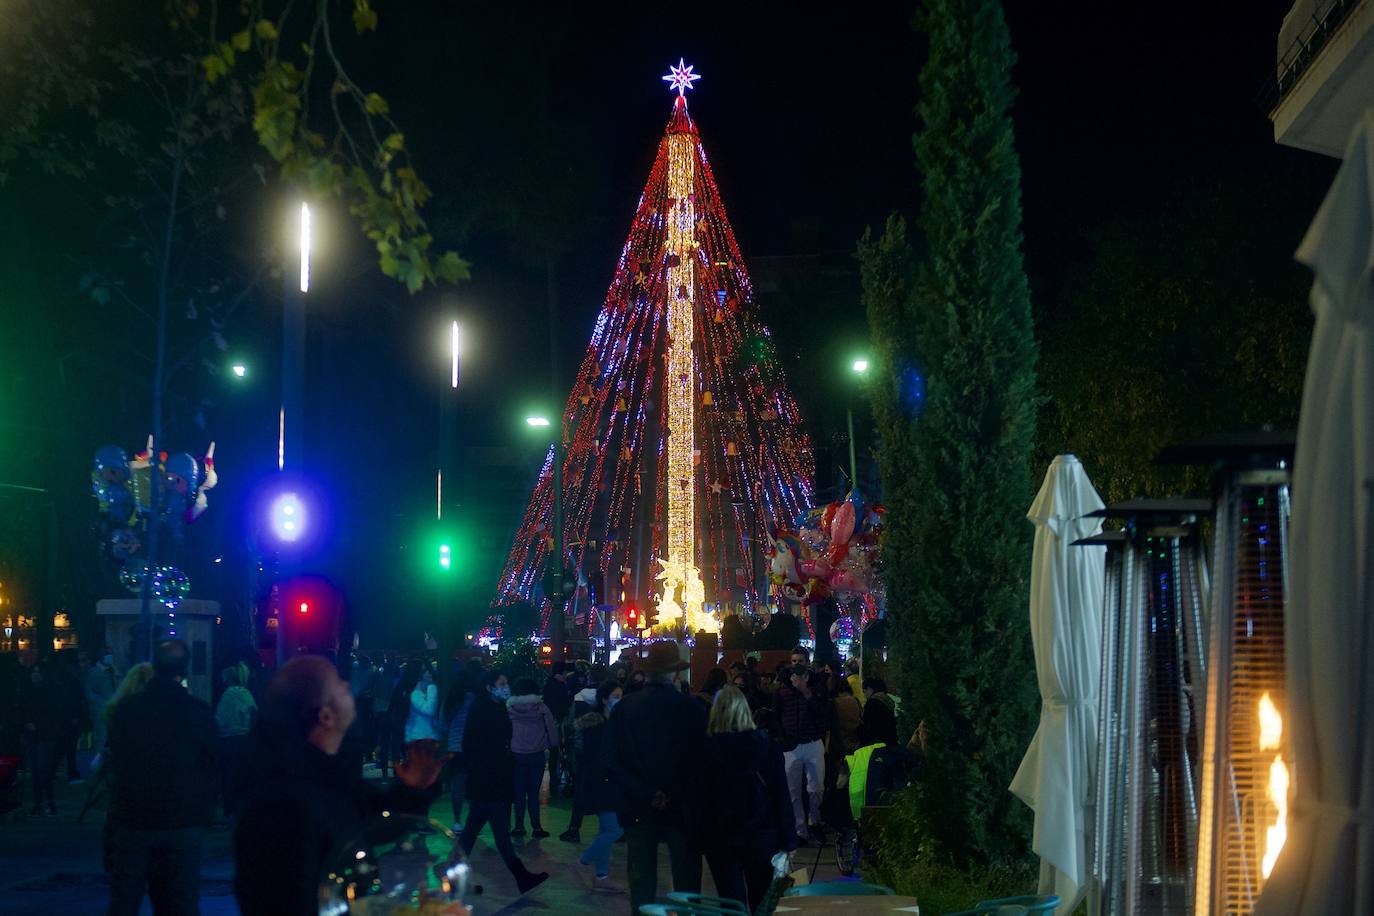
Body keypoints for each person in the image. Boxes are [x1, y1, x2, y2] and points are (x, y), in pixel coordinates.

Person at [233, 655, 448, 915]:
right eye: (337, 684)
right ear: (325, 715)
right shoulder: (283, 800)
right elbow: (284, 900)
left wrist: (412, 788)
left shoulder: (327, 773)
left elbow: (372, 823)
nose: (347, 686)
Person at [107, 640, 219, 915]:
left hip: (134, 817)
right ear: (184, 669)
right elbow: (214, 761)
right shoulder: (197, 711)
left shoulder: (127, 710)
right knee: (180, 901)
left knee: (125, 899)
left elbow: (116, 758)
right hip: (182, 819)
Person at [604, 642, 706, 914]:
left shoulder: (625, 709)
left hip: (638, 805)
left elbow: (612, 762)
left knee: (641, 880)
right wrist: (673, 791)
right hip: (682, 806)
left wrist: (647, 792)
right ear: (675, 674)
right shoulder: (691, 708)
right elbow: (700, 760)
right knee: (686, 880)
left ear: (646, 674)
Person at [702, 686, 797, 913]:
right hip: (762, 833)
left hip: (721, 836)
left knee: (730, 901)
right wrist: (789, 838)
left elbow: (701, 796)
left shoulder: (707, 748)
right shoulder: (766, 745)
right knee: (762, 900)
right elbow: (781, 794)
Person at [459, 670, 550, 894]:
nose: (506, 686)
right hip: (488, 780)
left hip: (490, 780)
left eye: (506, 682)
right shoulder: (482, 710)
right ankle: (522, 877)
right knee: (501, 834)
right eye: (502, 683)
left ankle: (451, 872)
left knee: (471, 832)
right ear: (490, 687)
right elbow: (474, 745)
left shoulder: (495, 708)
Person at [773, 664, 830, 844]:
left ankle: (815, 823)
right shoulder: (783, 690)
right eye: (793, 660)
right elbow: (776, 714)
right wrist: (781, 737)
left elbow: (822, 712)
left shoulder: (817, 687)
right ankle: (800, 831)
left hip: (812, 741)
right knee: (793, 791)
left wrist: (806, 691)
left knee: (816, 788)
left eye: (800, 660)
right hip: (791, 744)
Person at [575, 679, 624, 883]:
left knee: (607, 828)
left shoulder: (610, 723)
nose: (620, 701)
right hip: (603, 782)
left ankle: (601, 874)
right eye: (616, 697)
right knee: (615, 829)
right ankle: (584, 860)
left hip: (606, 781)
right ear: (604, 699)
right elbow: (598, 757)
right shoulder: (598, 726)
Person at [507, 675, 557, 838]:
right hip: (536, 754)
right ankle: (536, 827)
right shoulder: (541, 708)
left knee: (518, 793)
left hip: (516, 754)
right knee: (533, 793)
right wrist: (553, 745)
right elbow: (551, 729)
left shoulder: (509, 708)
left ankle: (519, 826)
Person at [16, 662, 60, 815]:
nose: (35, 674)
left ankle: (46, 802)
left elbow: (53, 713)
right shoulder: (27, 692)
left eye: (38, 672)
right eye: (33, 672)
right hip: (34, 734)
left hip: (44, 734)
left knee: (43, 769)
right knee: (37, 770)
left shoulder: (48, 692)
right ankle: (42, 802)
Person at [214, 666, 257, 820]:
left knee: (228, 777)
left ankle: (229, 813)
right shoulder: (247, 693)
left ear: (226, 679)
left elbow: (221, 720)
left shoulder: (228, 695)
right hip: (245, 739)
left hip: (230, 741)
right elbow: (253, 715)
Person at [442, 670, 475, 831]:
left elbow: (443, 724)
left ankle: (457, 821)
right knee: (474, 786)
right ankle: (473, 821)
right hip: (472, 747)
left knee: (457, 786)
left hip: (454, 747)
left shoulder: (452, 699)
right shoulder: (475, 699)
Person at [541, 661, 572, 797]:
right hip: (558, 720)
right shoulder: (561, 684)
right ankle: (555, 780)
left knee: (553, 751)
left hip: (551, 719)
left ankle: (553, 780)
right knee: (556, 750)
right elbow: (563, 702)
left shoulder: (549, 683)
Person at [86, 648, 119, 752]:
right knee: (101, 739)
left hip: (113, 710)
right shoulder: (93, 672)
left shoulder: (112, 671)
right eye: (107, 654)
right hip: (100, 712)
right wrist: (100, 702)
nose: (110, 657)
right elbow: (88, 692)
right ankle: (99, 763)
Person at [404, 662, 440, 744]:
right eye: (425, 670)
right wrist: (432, 686)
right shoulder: (415, 694)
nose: (429, 673)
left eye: (429, 670)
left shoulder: (424, 691)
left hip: (425, 737)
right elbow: (430, 710)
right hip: (419, 738)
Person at [859, 677, 899, 748]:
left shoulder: (872, 703)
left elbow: (867, 726)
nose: (864, 695)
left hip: (876, 744)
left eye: (864, 691)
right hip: (891, 742)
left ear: (870, 689)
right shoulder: (888, 700)